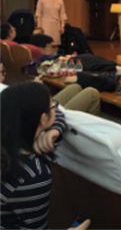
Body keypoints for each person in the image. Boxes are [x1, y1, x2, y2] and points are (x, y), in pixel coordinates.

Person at [0, 82, 66, 229]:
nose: (56, 109)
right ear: (43, 119)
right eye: (53, 106)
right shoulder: (32, 175)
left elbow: (58, 114)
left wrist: (55, 129)